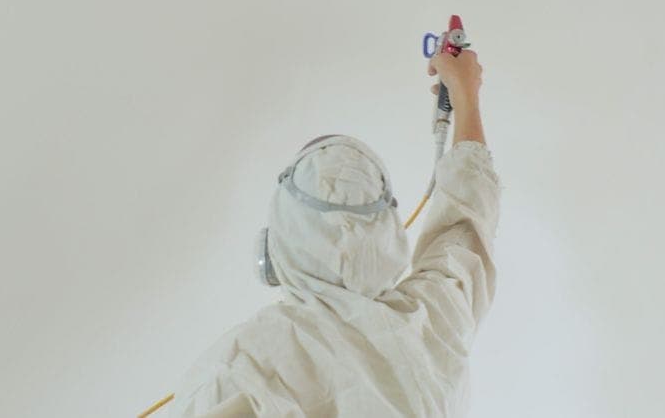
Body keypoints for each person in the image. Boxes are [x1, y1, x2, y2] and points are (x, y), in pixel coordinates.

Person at [170, 50, 500, 417]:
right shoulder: (434, 321)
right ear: (388, 239)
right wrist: (466, 94)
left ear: (273, 250)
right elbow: (467, 219)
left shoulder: (246, 363)